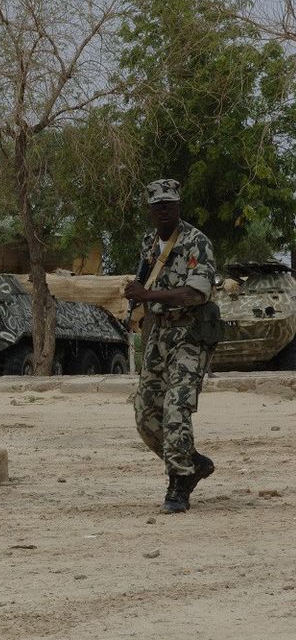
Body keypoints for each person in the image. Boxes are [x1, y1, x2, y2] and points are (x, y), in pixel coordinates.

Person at [123, 179, 218, 514]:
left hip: (190, 336)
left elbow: (195, 294)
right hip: (159, 335)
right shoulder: (149, 243)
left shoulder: (196, 243)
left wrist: (146, 295)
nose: (164, 210)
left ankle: (179, 482)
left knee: (176, 409)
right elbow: (147, 285)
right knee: (145, 413)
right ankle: (191, 462)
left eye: (170, 204)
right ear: (150, 210)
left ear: (179, 206)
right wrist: (138, 295)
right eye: (158, 205)